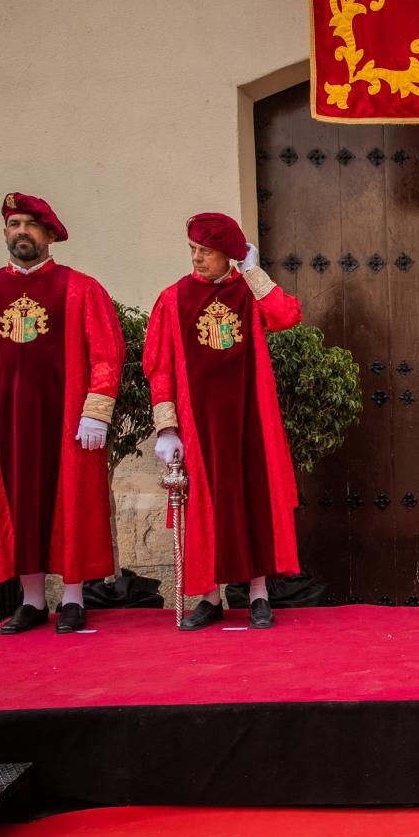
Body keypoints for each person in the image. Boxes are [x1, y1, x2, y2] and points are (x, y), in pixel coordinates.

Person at [0, 193, 123, 635]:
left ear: (49, 235)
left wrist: (96, 411)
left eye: (29, 224)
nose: (20, 231)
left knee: (71, 503)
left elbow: (106, 354)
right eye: (13, 224)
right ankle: (30, 601)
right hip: (7, 423)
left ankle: (72, 598)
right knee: (20, 506)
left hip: (67, 421)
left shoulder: (81, 289)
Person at [142, 213, 302, 630]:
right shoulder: (173, 298)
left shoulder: (249, 292)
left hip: (249, 417)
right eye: (192, 250)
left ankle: (258, 594)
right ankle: (209, 597)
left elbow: (286, 316)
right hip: (198, 424)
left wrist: (253, 270)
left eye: (206, 252)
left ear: (228, 256)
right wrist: (167, 427)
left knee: (253, 501)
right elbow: (159, 368)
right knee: (202, 507)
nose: (196, 259)